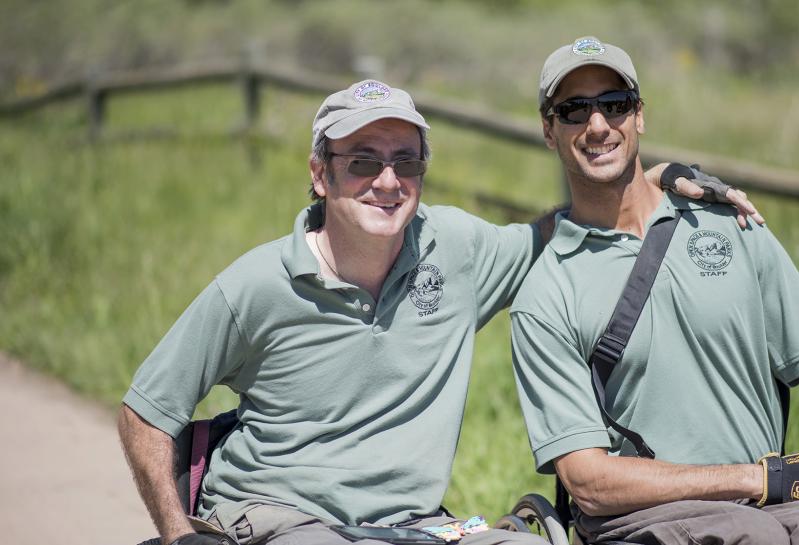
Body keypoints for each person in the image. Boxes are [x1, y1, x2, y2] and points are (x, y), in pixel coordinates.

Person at [118, 79, 756, 545]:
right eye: (363, 161)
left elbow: (555, 232)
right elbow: (146, 412)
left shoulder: (452, 247)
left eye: (407, 160)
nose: (388, 181)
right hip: (282, 517)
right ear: (320, 174)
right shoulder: (255, 284)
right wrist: (178, 537)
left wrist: (653, 177)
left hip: (412, 528)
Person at [510, 37, 799, 545]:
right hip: (643, 517)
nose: (598, 125)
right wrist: (758, 479)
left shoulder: (731, 226)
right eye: (573, 110)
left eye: (614, 104)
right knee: (748, 534)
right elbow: (588, 482)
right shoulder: (547, 290)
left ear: (639, 116)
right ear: (548, 129)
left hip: (766, 502)